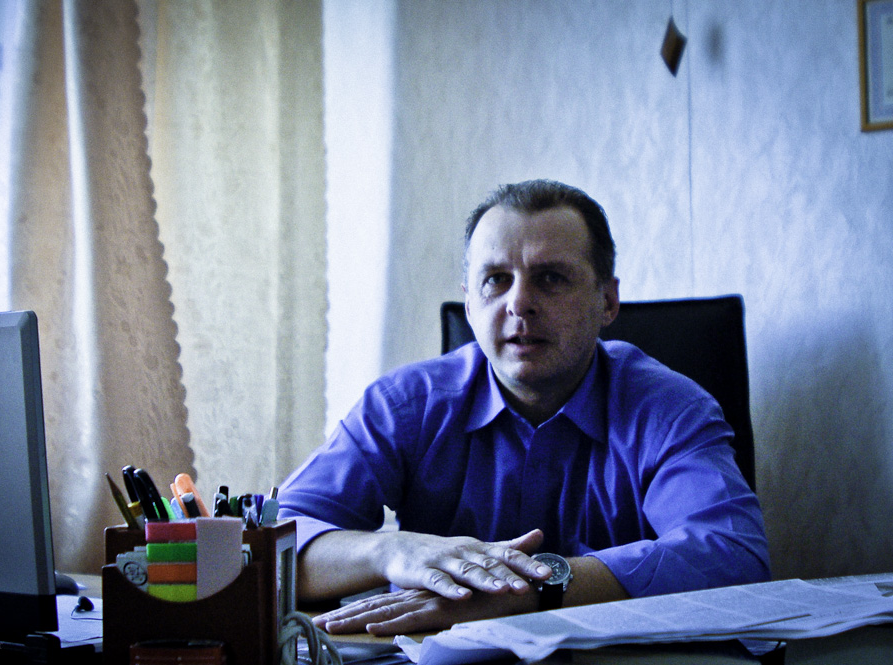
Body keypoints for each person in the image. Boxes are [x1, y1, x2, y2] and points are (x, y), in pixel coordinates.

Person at [278, 179, 770, 636]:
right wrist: (390, 550)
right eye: (496, 279)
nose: (519, 304)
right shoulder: (405, 405)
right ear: (469, 304)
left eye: (551, 278)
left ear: (607, 300)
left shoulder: (669, 408)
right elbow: (269, 547)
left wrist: (528, 590)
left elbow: (735, 555)